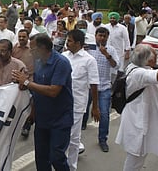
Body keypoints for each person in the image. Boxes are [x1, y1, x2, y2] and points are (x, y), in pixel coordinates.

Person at [12, 33, 73, 171]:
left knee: (56, 157)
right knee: (41, 158)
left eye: (32, 49)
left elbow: (53, 91)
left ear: (43, 48)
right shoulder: (39, 63)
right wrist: (32, 112)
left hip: (60, 119)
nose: (30, 52)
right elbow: (37, 90)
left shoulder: (61, 63)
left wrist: (26, 82)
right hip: (42, 119)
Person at [62, 30, 100, 171]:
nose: (67, 43)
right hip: (61, 104)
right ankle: (61, 165)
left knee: (73, 138)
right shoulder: (63, 56)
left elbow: (94, 84)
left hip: (77, 105)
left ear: (78, 43)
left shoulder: (89, 60)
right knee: (61, 136)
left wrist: (95, 107)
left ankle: (70, 167)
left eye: (70, 41)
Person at [82, 27, 119, 152]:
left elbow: (116, 65)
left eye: (104, 36)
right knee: (82, 111)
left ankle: (103, 139)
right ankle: (78, 135)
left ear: (108, 37)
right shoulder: (88, 48)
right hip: (88, 86)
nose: (102, 38)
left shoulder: (112, 50)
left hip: (104, 87)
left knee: (104, 114)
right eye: (100, 36)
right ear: (95, 36)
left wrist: (107, 55)